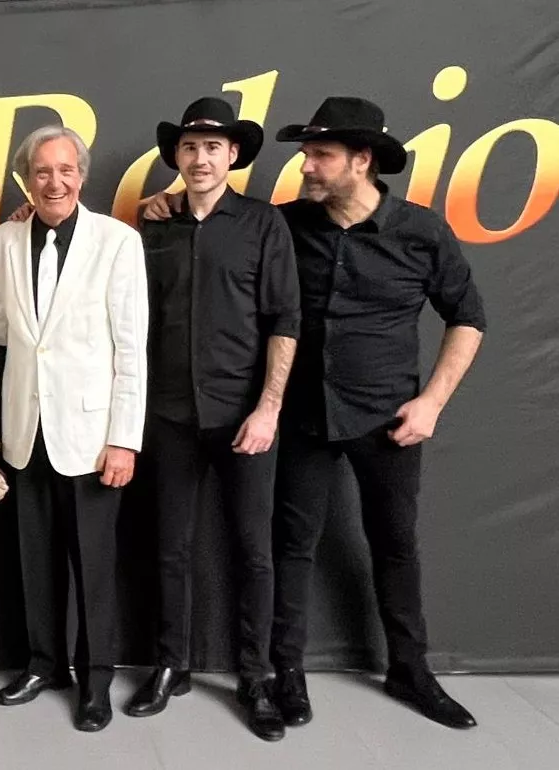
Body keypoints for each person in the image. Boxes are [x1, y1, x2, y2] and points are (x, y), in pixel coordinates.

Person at [141, 97, 486, 730]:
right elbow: (212, 228)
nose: (306, 166)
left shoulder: (421, 230)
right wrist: (164, 197)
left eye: (319, 156)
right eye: (305, 154)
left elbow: (468, 317)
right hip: (301, 418)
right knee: (290, 547)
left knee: (395, 545)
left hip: (389, 418)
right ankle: (285, 672)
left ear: (362, 161)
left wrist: (432, 402)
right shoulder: (283, 224)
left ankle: (410, 669)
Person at [126, 97, 300, 742]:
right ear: (177, 155)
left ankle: (255, 677)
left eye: (213, 148)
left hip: (242, 416)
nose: (200, 158)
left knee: (253, 552)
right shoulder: (153, 228)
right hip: (168, 414)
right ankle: (172, 665)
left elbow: (285, 319)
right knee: (169, 549)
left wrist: (269, 408)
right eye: (191, 147)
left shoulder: (262, 224)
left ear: (233, 156)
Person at [0, 125, 149, 732]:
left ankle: (95, 683)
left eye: (65, 169)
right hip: (27, 429)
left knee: (92, 568)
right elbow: (0, 325)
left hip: (92, 436)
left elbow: (132, 348)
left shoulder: (118, 243)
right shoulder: (5, 239)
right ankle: (44, 664)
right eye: (42, 172)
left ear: (82, 174)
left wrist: (124, 438)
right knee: (35, 561)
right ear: (27, 178)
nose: (55, 182)